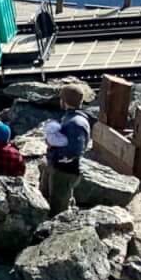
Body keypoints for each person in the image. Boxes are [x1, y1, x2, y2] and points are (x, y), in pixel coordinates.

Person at [42, 83, 93, 211]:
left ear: (64, 101)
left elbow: (74, 150)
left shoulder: (74, 123)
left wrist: (55, 151)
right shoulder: (74, 118)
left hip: (65, 169)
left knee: (58, 203)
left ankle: (60, 224)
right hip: (61, 166)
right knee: (56, 195)